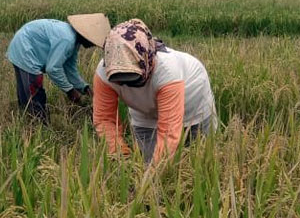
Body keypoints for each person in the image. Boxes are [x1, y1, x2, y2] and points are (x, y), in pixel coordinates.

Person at [92, 19, 215, 165]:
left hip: (192, 102)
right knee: (147, 161)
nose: (128, 87)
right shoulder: (104, 73)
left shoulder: (168, 72)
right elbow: (105, 119)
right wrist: (120, 155)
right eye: (121, 82)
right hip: (144, 112)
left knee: (199, 158)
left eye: (133, 80)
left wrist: (155, 175)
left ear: (147, 59)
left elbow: (169, 131)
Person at [7, 14, 110, 121]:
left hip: (21, 44)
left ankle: (26, 121)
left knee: (26, 91)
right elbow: (53, 68)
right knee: (34, 92)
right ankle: (39, 126)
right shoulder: (67, 39)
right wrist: (70, 91)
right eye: (92, 41)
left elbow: (70, 68)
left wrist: (84, 88)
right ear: (85, 35)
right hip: (25, 50)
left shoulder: (74, 40)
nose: (93, 45)